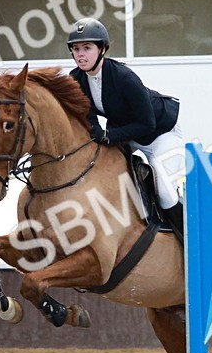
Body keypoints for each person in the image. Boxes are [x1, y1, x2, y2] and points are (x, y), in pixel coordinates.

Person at [66, 17, 187, 239]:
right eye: (76, 49)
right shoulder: (76, 80)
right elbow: (87, 116)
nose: (80, 54)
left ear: (102, 49)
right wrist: (96, 133)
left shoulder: (124, 77)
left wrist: (109, 135)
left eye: (87, 48)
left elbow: (147, 123)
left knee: (166, 192)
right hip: (128, 134)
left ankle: (188, 243)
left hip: (160, 133)